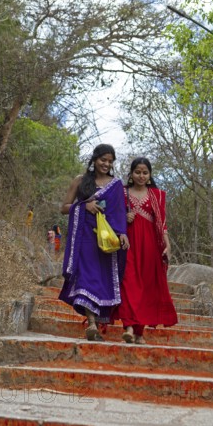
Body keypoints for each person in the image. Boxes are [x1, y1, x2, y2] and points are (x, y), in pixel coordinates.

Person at [59, 144, 130, 341]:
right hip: (84, 237)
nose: (106, 164)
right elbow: (64, 208)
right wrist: (84, 205)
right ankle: (91, 323)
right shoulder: (80, 181)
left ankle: (96, 323)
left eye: (110, 161)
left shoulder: (116, 185)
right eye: (103, 159)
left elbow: (118, 213)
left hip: (106, 240)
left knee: (101, 279)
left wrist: (122, 233)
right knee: (87, 278)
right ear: (94, 159)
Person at [113, 157, 178, 344]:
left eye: (145, 172)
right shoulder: (122, 193)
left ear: (149, 175)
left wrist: (167, 245)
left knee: (146, 288)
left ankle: (139, 332)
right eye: (137, 172)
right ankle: (129, 327)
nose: (141, 176)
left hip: (150, 248)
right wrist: (124, 217)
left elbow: (163, 224)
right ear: (131, 174)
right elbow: (113, 216)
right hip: (127, 245)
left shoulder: (157, 195)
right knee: (128, 283)